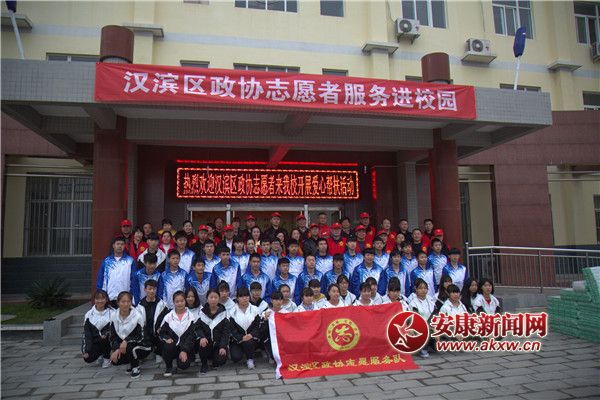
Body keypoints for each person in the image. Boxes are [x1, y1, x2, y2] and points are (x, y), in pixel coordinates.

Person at [108, 291, 150, 378]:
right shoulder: (113, 316)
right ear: (118, 303)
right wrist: (116, 349)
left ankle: (135, 367)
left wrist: (126, 340)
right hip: (124, 346)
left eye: (128, 301)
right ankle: (131, 362)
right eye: (123, 302)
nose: (126, 304)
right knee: (115, 361)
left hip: (143, 346)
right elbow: (113, 337)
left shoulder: (137, 316)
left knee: (130, 347)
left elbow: (142, 337)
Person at [158, 291, 197, 377]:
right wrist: (166, 338)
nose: (180, 303)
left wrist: (184, 350)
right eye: (177, 301)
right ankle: (169, 367)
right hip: (172, 347)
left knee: (184, 366)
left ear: (185, 301)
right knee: (168, 345)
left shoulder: (191, 317)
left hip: (185, 347)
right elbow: (161, 332)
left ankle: (181, 358)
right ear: (173, 302)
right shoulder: (168, 317)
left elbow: (192, 336)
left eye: (182, 301)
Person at [195, 289, 230, 373]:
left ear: (219, 299)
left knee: (220, 361)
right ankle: (204, 364)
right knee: (202, 343)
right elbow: (198, 327)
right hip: (207, 343)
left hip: (218, 344)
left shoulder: (224, 313)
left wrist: (222, 346)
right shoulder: (202, 313)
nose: (213, 300)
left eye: (216, 297)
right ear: (207, 299)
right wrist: (202, 337)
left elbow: (225, 332)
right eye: (211, 297)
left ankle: (215, 358)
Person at [96, 237, 137, 307]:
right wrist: (100, 294)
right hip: (108, 297)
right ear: (113, 246)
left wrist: (132, 295)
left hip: (125, 298)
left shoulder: (130, 261)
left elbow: (133, 280)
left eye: (122, 244)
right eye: (118, 244)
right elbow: (100, 278)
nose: (120, 246)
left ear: (124, 246)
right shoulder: (106, 261)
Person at [136, 279, 168, 366]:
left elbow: (166, 320)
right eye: (149, 289)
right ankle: (147, 351)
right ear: (145, 290)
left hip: (158, 333)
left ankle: (158, 352)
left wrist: (161, 328)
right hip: (145, 333)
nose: (152, 291)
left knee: (164, 334)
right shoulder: (140, 306)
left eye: (154, 289)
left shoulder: (162, 304)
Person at [228, 286, 261, 370]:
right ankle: (243, 351)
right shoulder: (232, 311)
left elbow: (258, 326)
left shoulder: (255, 309)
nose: (245, 298)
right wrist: (241, 338)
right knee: (236, 357)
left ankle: (250, 359)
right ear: (237, 298)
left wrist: (251, 334)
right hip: (238, 340)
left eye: (246, 296)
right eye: (241, 296)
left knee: (249, 342)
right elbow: (232, 329)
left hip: (251, 339)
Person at [82, 289, 112, 368]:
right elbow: (87, 335)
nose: (100, 301)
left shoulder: (112, 312)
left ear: (106, 299)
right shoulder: (88, 315)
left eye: (102, 298)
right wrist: (86, 350)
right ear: (94, 300)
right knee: (88, 358)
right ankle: (100, 354)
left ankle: (107, 358)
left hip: (109, 341)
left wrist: (106, 334)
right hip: (96, 342)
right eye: (97, 299)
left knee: (104, 338)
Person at [408, 278, 437, 358]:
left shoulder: (431, 301)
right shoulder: (413, 303)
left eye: (425, 288)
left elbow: (435, 316)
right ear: (416, 289)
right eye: (420, 288)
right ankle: (423, 348)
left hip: (431, 326)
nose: (423, 290)